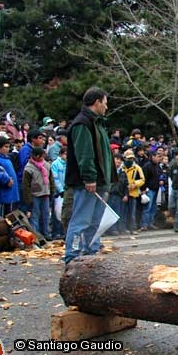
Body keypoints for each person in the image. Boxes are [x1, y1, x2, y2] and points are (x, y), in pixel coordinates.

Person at [63, 87, 117, 264]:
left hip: (101, 181)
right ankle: (73, 255)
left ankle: (91, 252)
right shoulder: (82, 123)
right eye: (105, 103)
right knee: (81, 220)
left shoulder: (98, 123)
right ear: (97, 102)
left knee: (96, 221)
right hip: (88, 182)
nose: (106, 107)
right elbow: (85, 154)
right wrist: (89, 178)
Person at [23, 147, 55, 239]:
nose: (41, 158)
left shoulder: (47, 165)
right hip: (34, 195)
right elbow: (26, 185)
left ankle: (46, 233)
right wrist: (28, 199)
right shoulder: (28, 168)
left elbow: (51, 180)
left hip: (46, 193)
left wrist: (52, 191)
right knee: (35, 216)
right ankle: (36, 235)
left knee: (46, 215)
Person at [120, 148, 145, 235]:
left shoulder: (137, 168)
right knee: (122, 212)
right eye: (128, 158)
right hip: (123, 193)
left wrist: (135, 184)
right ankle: (122, 228)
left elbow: (142, 179)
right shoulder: (121, 167)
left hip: (133, 193)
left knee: (132, 212)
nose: (130, 160)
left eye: (131, 158)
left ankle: (132, 228)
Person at [139, 150, 164, 231]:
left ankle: (150, 223)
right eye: (157, 156)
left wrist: (162, 181)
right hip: (149, 189)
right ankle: (144, 224)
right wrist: (143, 189)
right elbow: (143, 179)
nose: (158, 158)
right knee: (147, 207)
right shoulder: (147, 166)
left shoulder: (158, 166)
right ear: (152, 156)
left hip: (157, 189)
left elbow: (161, 175)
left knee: (154, 207)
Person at [50, 147, 67, 239]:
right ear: (61, 154)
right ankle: (56, 232)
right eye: (65, 154)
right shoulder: (55, 164)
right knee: (56, 213)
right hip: (58, 193)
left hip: (66, 191)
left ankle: (63, 232)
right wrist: (61, 190)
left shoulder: (68, 164)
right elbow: (55, 178)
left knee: (64, 213)